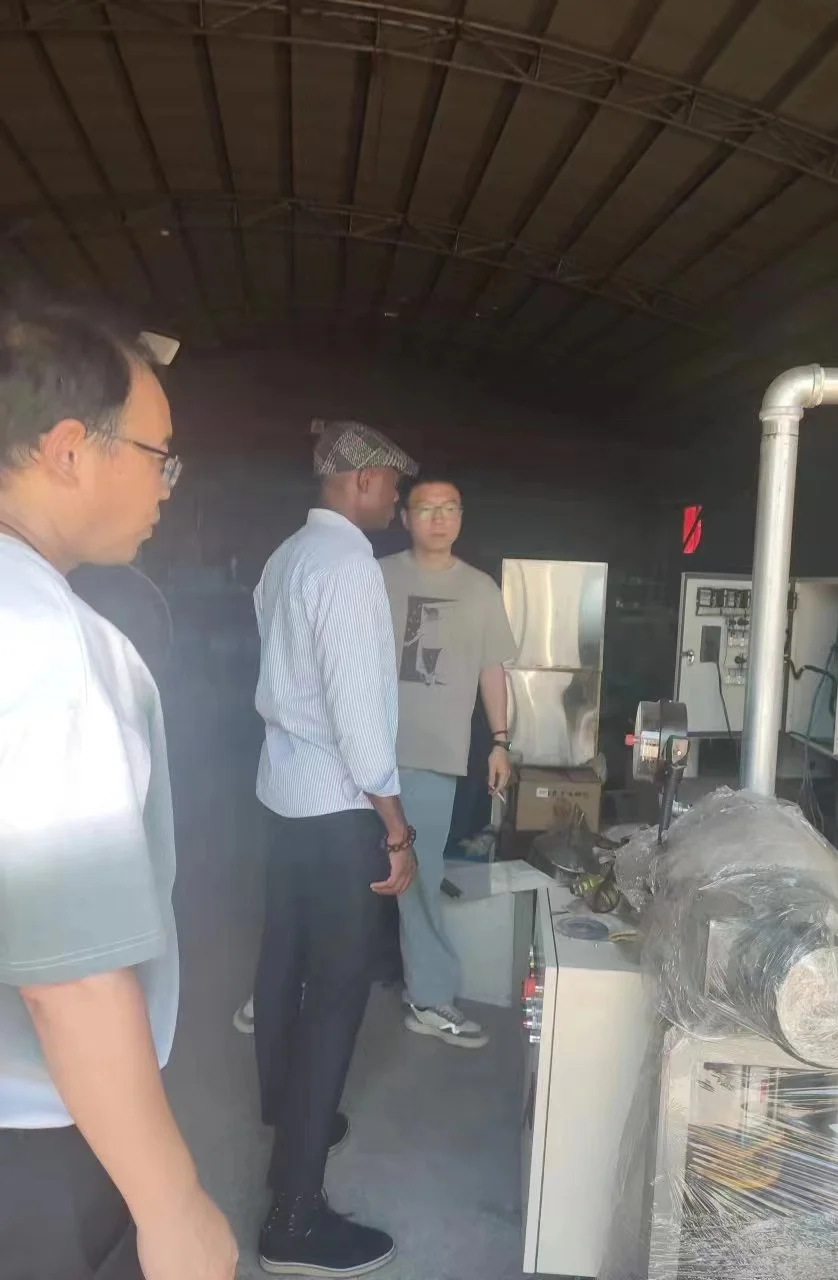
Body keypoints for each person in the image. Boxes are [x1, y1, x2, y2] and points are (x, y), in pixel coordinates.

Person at [0, 294, 237, 1279]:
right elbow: (71, 974)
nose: (167, 485)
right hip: (28, 1142)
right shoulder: (42, 639)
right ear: (69, 449)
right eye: (158, 455)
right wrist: (171, 1201)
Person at [252, 419, 419, 1277]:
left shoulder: (286, 557)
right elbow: (359, 721)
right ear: (360, 481)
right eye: (393, 484)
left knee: (283, 967)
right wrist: (396, 827)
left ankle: (290, 1114)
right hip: (338, 810)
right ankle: (294, 1216)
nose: (397, 499)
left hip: (285, 799)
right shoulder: (350, 567)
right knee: (336, 996)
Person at [379, 474, 517, 1049]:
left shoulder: (480, 589)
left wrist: (500, 741)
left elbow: (492, 669)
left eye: (449, 508)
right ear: (404, 518)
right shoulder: (375, 576)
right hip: (358, 754)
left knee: (420, 879)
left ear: (461, 518)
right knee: (329, 872)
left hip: (432, 758)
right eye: (425, 508)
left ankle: (429, 997)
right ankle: (288, 986)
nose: (438, 518)